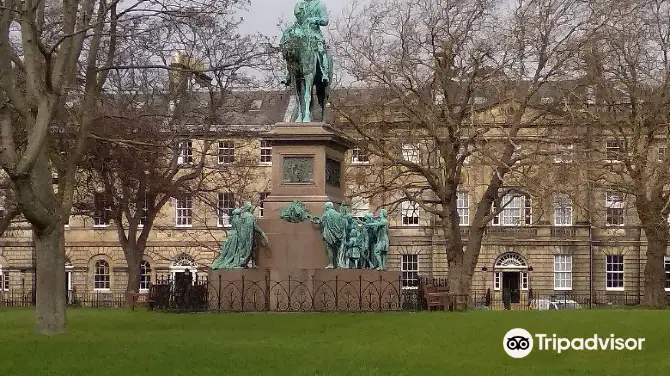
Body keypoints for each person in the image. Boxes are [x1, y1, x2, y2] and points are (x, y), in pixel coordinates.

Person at [293, 0, 330, 82]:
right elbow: (296, 20)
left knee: (321, 50)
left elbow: (325, 20)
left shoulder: (320, 5)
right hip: (300, 34)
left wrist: (314, 20)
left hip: (314, 35)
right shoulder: (299, 5)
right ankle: (287, 74)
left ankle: (324, 73)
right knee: (290, 50)